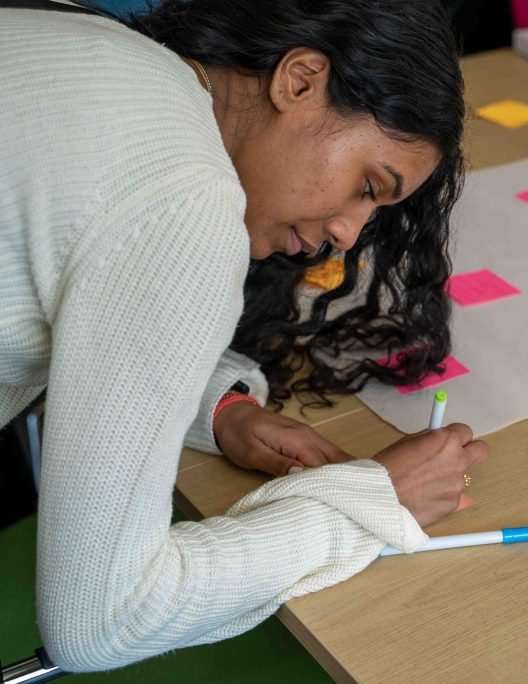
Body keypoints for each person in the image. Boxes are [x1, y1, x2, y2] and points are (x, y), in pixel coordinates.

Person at [0, 0, 489, 672]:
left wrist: (220, 408)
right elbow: (104, 620)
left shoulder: (104, 48)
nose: (348, 234)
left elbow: (78, 277)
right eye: (367, 185)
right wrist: (370, 503)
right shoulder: (185, 204)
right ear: (300, 81)